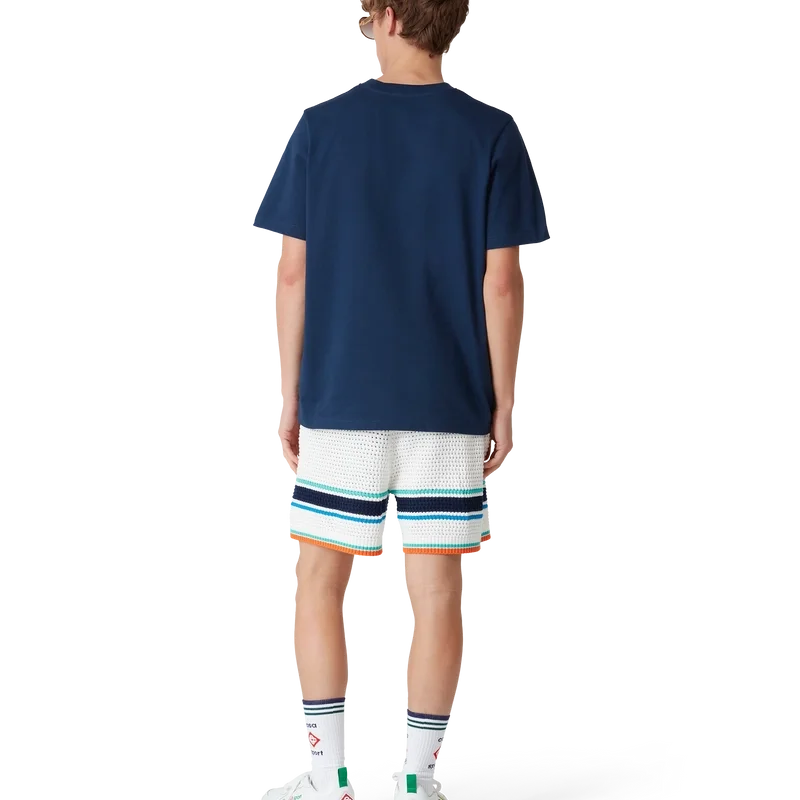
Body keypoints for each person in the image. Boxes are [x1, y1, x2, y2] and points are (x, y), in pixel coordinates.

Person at [255, 1, 549, 797]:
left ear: (385, 17)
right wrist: (503, 403)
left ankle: (329, 773)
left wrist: (289, 397)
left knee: (320, 580)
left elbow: (292, 274)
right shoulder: (491, 134)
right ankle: (420, 779)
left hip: (341, 395)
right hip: (448, 403)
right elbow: (502, 285)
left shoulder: (322, 129)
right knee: (438, 590)